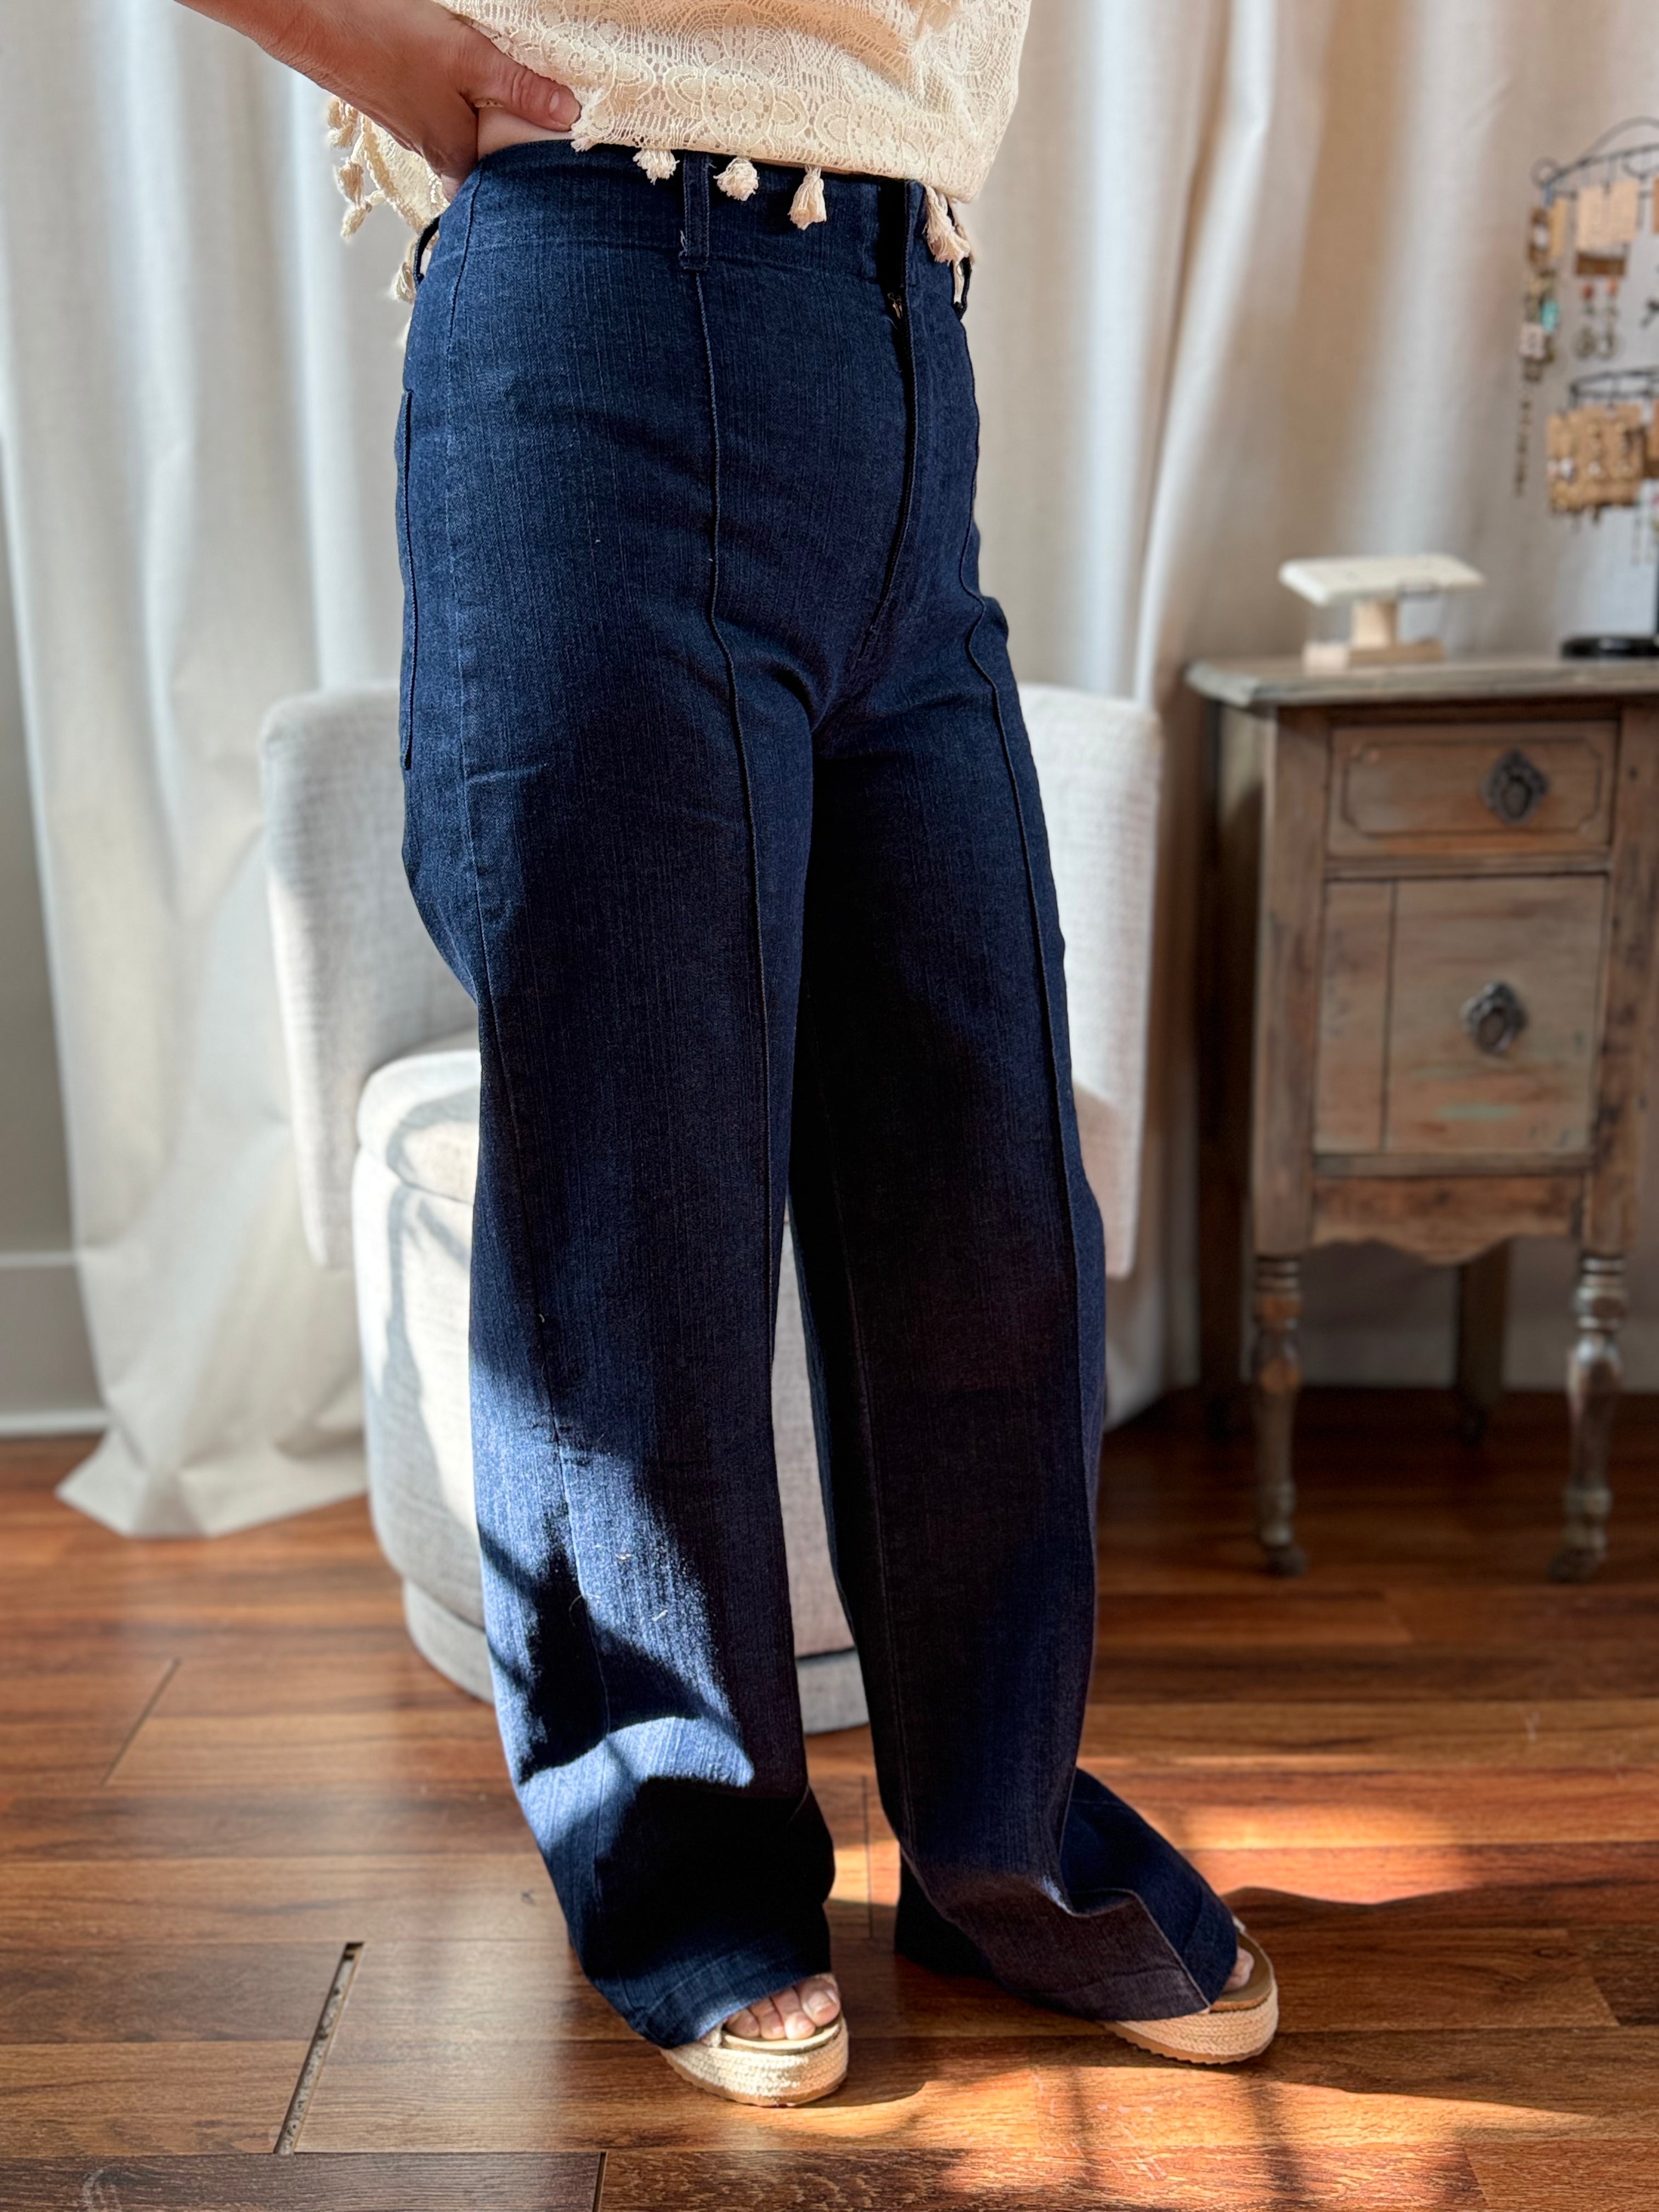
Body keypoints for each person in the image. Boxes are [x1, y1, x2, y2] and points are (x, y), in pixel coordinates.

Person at [179, 0, 1278, 2107]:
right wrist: (398, 63)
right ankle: (690, 1870)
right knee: (640, 1197)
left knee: (977, 1185)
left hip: (894, 348)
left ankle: (994, 1842)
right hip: (605, 305)